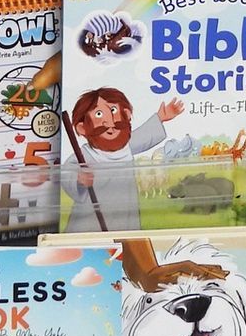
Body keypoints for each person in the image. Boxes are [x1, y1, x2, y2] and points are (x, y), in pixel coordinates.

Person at [63, 86, 183, 232]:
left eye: (113, 110)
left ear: (126, 114)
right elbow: (67, 172)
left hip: (125, 217)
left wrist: (160, 118)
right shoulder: (86, 155)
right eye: (99, 114)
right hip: (90, 221)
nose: (110, 123)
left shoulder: (126, 146)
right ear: (82, 128)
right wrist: (79, 179)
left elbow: (144, 135)